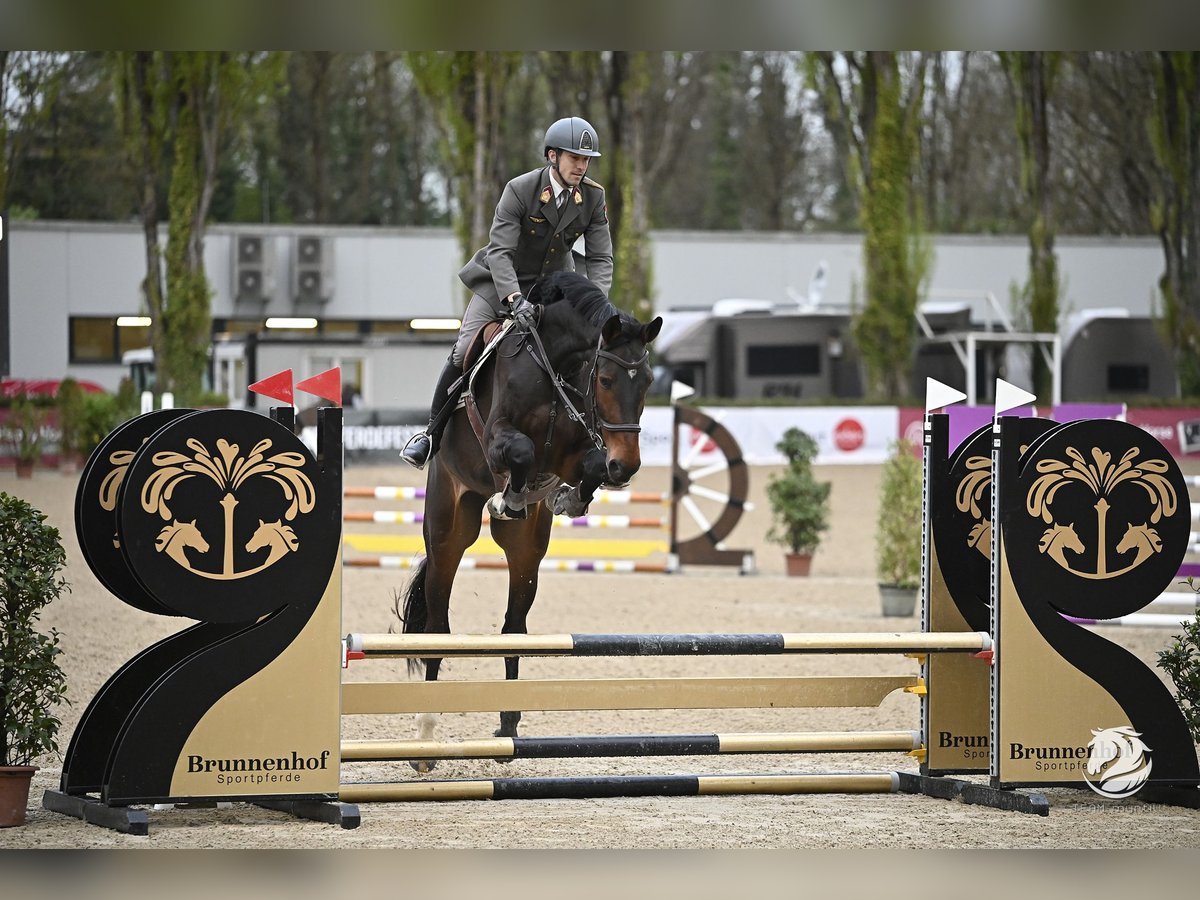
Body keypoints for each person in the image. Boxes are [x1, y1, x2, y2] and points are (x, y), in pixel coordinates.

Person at [400, 115, 614, 469]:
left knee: (584, 351)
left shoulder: (593, 197)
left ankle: (592, 440)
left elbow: (601, 256)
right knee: (463, 348)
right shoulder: (520, 190)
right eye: (575, 157)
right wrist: (514, 300)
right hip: (501, 282)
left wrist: (596, 304)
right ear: (551, 156)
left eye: (586, 159)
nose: (581, 165)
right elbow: (500, 253)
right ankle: (430, 436)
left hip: (553, 289)